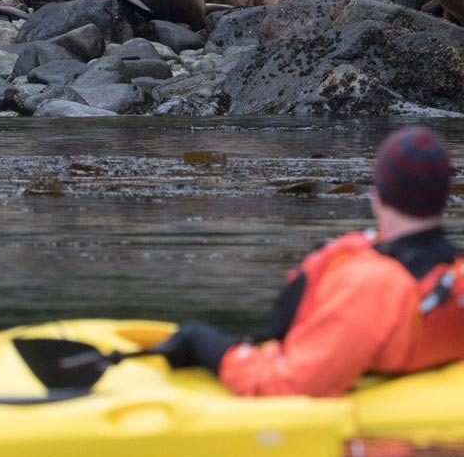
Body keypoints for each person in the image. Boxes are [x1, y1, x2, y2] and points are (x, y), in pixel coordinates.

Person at [159, 126, 461, 397]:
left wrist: (209, 348)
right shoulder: (452, 270)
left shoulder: (371, 284)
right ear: (444, 197)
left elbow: (292, 385)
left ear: (377, 195)